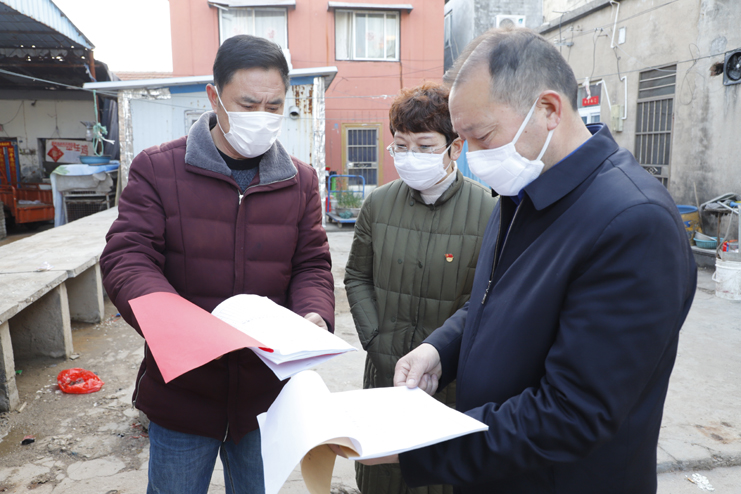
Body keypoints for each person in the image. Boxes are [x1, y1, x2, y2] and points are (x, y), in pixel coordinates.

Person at [358, 28, 697, 493]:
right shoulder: (523, 190)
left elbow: (573, 413)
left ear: (549, 110)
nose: (473, 157)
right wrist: (440, 350)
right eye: (464, 139)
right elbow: (497, 301)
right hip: (496, 471)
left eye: (482, 136)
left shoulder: (633, 223)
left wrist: (419, 447)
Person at [100, 35, 334, 494]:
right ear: (214, 96)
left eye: (273, 106)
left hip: (265, 398)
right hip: (185, 394)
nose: (261, 116)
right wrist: (178, 324)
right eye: (247, 104)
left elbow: (311, 264)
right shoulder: (159, 169)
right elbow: (127, 256)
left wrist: (313, 314)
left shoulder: (300, 181)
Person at [344, 82, 496, 494]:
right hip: (385, 374)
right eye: (401, 146)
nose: (411, 157)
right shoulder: (378, 204)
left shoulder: (490, 212)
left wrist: (446, 356)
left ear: (455, 147)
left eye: (425, 146)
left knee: (438, 478)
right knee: (380, 475)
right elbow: (357, 277)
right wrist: (377, 339)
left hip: (447, 382)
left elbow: (487, 300)